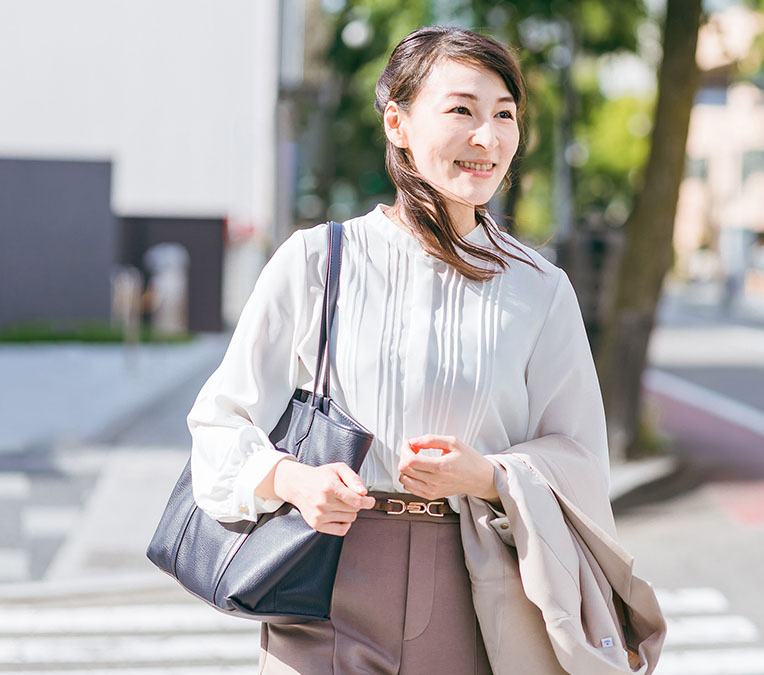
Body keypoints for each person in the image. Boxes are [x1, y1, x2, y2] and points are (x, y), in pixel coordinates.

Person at [185, 25, 665, 675]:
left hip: (473, 584)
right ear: (398, 123)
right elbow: (219, 422)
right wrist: (294, 479)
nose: (488, 138)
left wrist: (490, 474)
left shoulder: (539, 289)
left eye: (505, 116)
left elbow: (581, 456)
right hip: (323, 579)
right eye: (462, 110)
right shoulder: (318, 262)